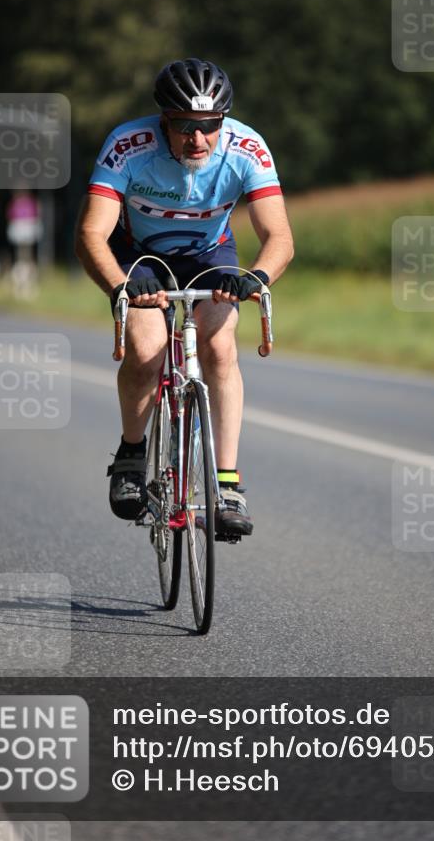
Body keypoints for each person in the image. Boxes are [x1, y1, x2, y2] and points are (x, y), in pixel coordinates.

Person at [75, 58, 294, 537]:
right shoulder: (127, 147)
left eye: (209, 126)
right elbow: (91, 234)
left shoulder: (247, 148)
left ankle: (228, 483)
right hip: (140, 257)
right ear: (163, 121)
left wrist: (256, 277)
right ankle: (132, 454)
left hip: (212, 253)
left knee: (218, 346)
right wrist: (120, 286)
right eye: (184, 127)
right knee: (148, 349)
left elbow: (279, 236)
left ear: (224, 121)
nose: (198, 140)